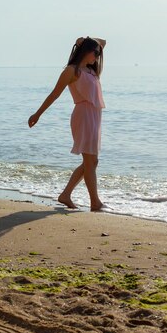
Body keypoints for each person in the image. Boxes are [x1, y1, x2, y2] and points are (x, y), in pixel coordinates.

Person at [28, 36, 107, 211]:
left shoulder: (91, 70)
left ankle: (66, 195)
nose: (98, 55)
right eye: (95, 52)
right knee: (90, 161)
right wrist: (38, 113)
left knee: (92, 162)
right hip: (83, 116)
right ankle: (95, 202)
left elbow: (104, 41)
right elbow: (55, 94)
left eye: (98, 53)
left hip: (95, 116)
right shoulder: (72, 71)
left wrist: (85, 41)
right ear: (86, 51)